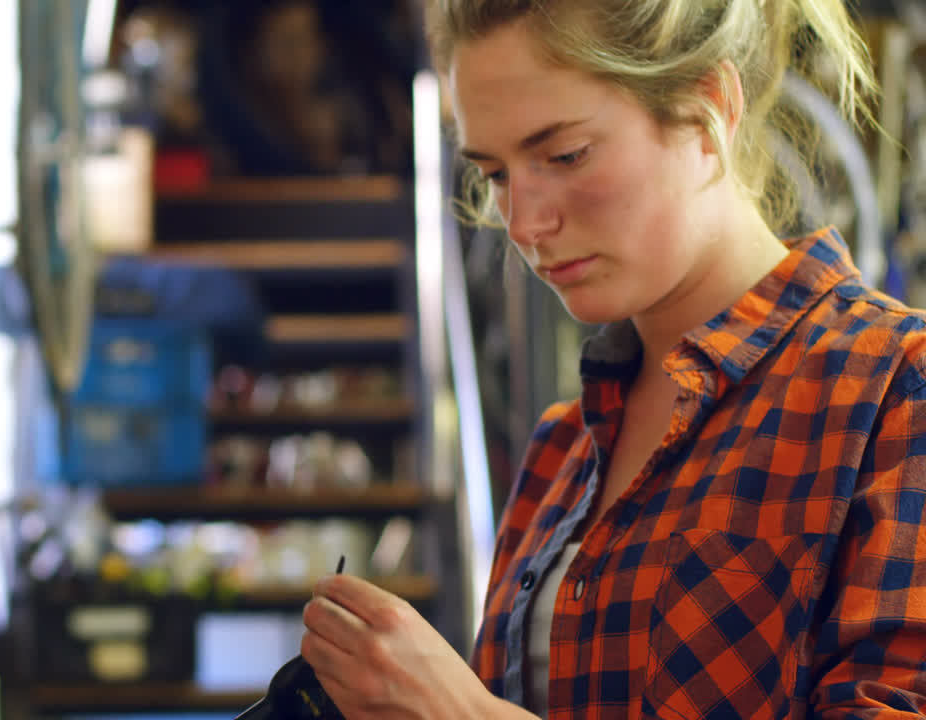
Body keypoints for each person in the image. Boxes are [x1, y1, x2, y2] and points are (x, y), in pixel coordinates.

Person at [301, 0, 926, 717]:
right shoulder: (560, 453)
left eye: (565, 155)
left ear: (709, 107)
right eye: (496, 174)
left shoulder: (894, 390)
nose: (527, 224)